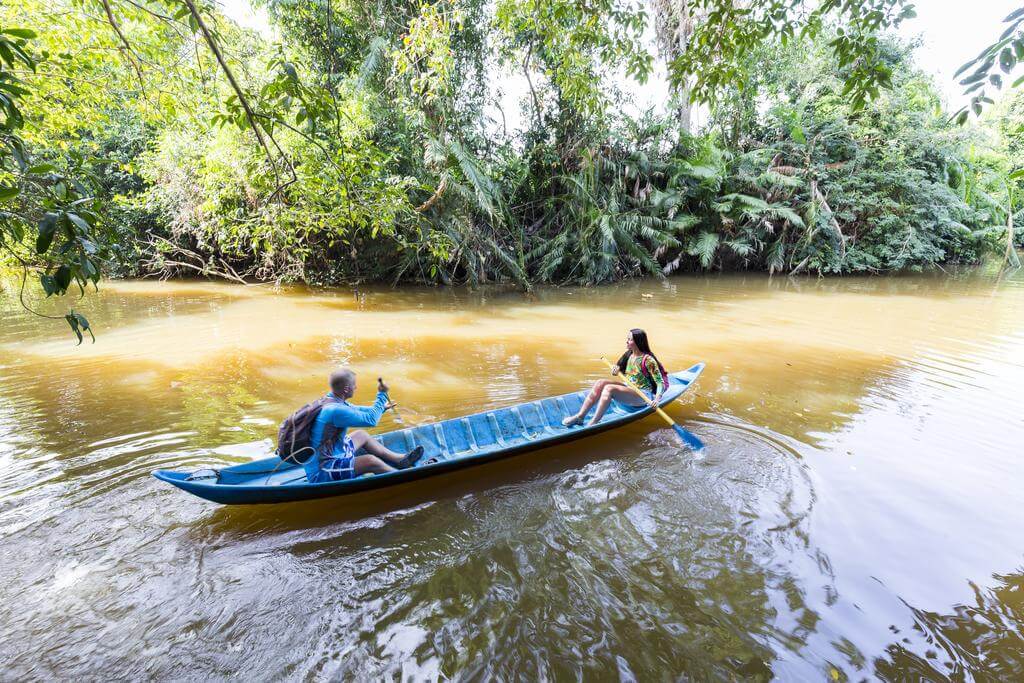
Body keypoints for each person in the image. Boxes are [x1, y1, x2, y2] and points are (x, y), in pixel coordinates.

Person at [304, 368, 424, 483]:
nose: (356, 387)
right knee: (370, 461)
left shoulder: (331, 399)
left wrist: (381, 407)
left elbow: (358, 410)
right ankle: (402, 477)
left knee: (361, 435)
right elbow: (371, 420)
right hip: (322, 470)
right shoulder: (336, 411)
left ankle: (399, 460)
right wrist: (381, 396)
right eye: (354, 385)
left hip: (332, 453)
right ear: (346, 389)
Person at [562, 328, 669, 427]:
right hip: (629, 388)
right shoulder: (629, 354)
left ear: (638, 342)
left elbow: (660, 383)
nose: (626, 341)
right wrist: (615, 370)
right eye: (627, 339)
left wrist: (657, 399)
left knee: (609, 389)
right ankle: (580, 417)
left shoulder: (648, 360)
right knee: (600, 383)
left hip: (643, 395)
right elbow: (617, 370)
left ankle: (593, 423)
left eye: (630, 339)